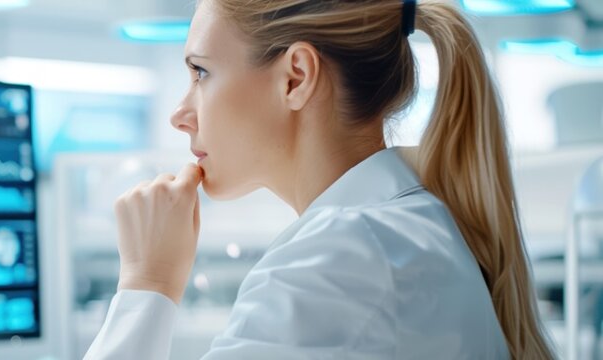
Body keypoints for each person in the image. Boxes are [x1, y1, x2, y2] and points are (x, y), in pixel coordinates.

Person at [83, 0, 555, 359]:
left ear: (296, 78)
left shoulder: (336, 263)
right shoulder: (398, 229)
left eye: (201, 72)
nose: (180, 114)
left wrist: (148, 283)